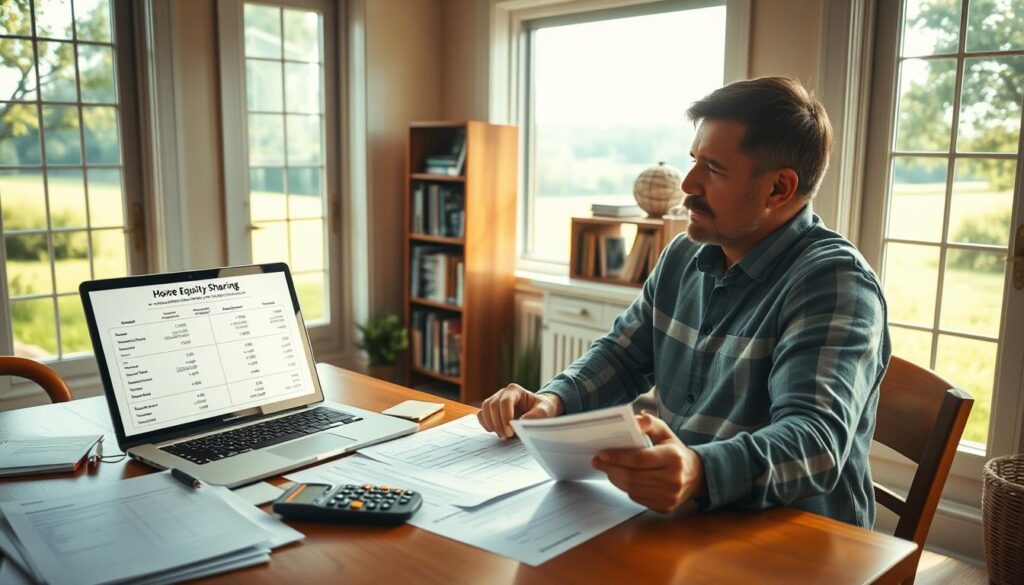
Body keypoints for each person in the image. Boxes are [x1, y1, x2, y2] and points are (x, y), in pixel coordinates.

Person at [478, 76, 890, 528]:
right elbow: (622, 357)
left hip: (798, 543)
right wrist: (553, 400)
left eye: (713, 169)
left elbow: (814, 443)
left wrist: (700, 471)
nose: (688, 184)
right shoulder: (682, 254)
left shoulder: (835, 284)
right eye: (693, 160)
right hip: (687, 520)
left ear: (778, 189)